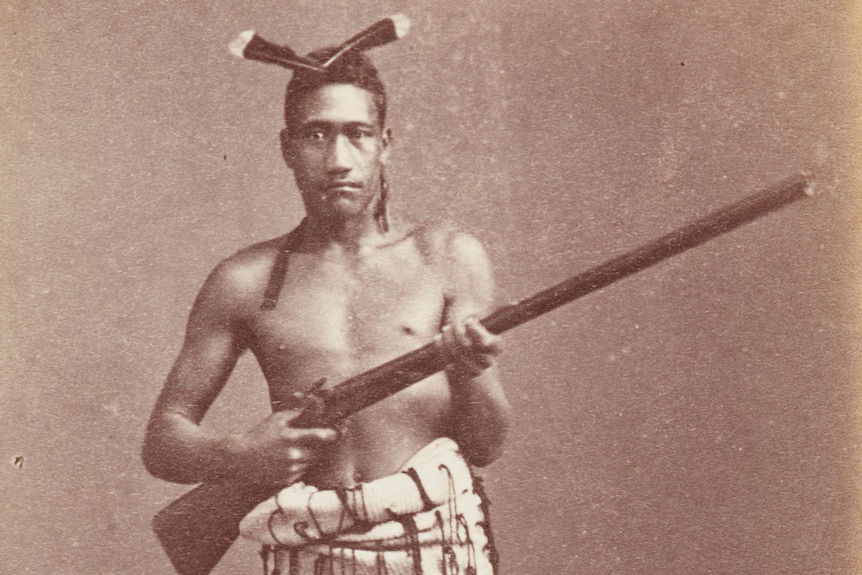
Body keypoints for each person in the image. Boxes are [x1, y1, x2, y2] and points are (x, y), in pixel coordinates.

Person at [143, 40, 510, 575]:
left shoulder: (448, 256)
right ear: (287, 148)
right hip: (307, 551)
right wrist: (239, 454)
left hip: (440, 542)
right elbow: (163, 439)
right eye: (316, 135)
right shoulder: (244, 279)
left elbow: (486, 446)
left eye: (357, 135)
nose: (338, 160)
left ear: (384, 145)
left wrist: (472, 370)